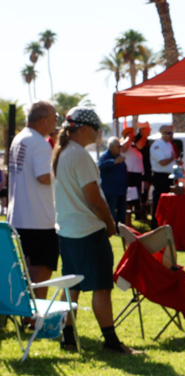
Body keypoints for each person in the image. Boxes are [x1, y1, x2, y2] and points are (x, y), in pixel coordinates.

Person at [51, 106, 139, 355]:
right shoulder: (79, 155)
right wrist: (110, 223)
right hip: (88, 231)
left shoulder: (63, 152)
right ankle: (111, 342)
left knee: (72, 285)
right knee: (101, 286)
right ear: (84, 128)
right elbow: (93, 197)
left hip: (68, 230)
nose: (98, 133)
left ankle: (68, 338)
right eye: (96, 128)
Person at [8, 100, 59, 297]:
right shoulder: (39, 143)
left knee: (29, 272)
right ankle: (36, 313)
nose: (56, 122)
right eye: (55, 118)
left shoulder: (20, 138)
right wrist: (63, 173)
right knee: (41, 272)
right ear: (43, 120)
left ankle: (27, 310)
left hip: (21, 217)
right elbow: (43, 176)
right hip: (39, 220)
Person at [98, 136, 129, 225]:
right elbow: (100, 166)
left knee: (121, 213)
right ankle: (110, 228)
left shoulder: (119, 157)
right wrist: (114, 162)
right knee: (111, 212)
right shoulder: (105, 156)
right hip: (110, 191)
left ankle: (120, 229)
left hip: (121, 190)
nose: (120, 149)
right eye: (118, 147)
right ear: (111, 147)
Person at [149, 125, 176, 221]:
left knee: (167, 202)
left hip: (168, 176)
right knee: (159, 202)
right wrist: (172, 158)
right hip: (160, 177)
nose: (171, 135)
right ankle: (156, 223)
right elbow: (162, 162)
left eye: (172, 133)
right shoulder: (157, 145)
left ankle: (165, 221)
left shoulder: (168, 144)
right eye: (169, 133)